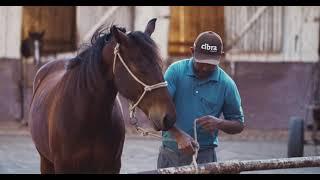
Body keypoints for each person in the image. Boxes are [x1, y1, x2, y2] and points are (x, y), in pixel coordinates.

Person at [157, 31, 245, 169]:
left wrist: (219, 123)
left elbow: (239, 124)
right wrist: (178, 135)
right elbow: (159, 112)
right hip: (170, 155)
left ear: (221, 57)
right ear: (192, 51)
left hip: (205, 157)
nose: (204, 68)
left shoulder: (226, 84)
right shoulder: (175, 72)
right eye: (201, 62)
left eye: (210, 64)